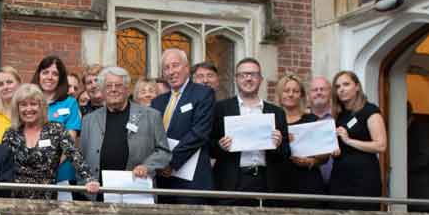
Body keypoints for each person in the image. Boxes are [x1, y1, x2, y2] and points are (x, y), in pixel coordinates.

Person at [79, 66, 172, 194]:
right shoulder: (88, 120)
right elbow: (81, 159)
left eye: (118, 85)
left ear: (127, 89)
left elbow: (164, 151)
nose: (113, 90)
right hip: (97, 193)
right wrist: (86, 183)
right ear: (102, 90)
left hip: (137, 191)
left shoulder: (151, 116)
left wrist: (147, 166)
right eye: (108, 86)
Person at [211, 57, 289, 202]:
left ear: (260, 79)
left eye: (253, 74)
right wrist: (220, 146)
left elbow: (286, 153)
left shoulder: (277, 112)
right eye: (243, 75)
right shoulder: (221, 108)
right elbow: (209, 147)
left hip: (266, 182)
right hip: (231, 182)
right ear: (236, 79)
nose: (248, 79)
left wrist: (278, 144)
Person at [0, 83, 90, 199]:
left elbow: (74, 155)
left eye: (33, 104)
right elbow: (3, 166)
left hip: (47, 201)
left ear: (42, 106)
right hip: (15, 201)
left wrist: (89, 179)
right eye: (23, 105)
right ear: (17, 108)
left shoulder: (56, 129)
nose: (28, 109)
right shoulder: (11, 133)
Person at [151, 48, 215, 198]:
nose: (171, 71)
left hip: (192, 180)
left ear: (187, 68)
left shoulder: (203, 94)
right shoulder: (157, 102)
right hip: (162, 178)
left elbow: (199, 133)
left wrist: (171, 162)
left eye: (175, 65)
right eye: (166, 68)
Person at [330, 69, 387, 208]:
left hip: (363, 178)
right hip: (340, 177)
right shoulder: (339, 115)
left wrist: (349, 141)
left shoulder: (370, 110)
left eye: (346, 84)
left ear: (357, 87)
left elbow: (381, 146)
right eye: (338, 87)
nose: (341, 89)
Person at [278, 74, 329, 206]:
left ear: (301, 95)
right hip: (280, 183)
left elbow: (325, 155)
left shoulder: (312, 120)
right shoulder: (272, 120)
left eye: (295, 91)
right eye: (286, 91)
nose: (291, 94)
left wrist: (311, 161)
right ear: (280, 94)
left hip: (308, 181)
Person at [34, 55, 83, 186]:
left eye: (55, 74)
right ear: (38, 75)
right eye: (45, 72)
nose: (49, 77)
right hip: (31, 172)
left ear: (60, 78)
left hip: (61, 173)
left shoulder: (70, 103)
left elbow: (70, 141)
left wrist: (49, 167)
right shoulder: (28, 100)